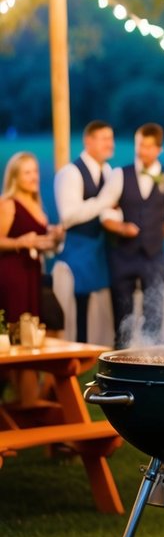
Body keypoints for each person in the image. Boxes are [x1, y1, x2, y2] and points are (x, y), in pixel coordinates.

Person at [103, 123, 164, 347]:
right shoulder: (120, 175)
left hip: (154, 256)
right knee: (122, 314)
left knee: (154, 313)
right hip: (123, 255)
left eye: (149, 146)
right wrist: (121, 228)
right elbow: (104, 211)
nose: (143, 151)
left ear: (159, 148)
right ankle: (120, 361)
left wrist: (154, 233)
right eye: (140, 145)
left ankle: (151, 363)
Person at [0, 152, 63, 403]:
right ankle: (25, 400)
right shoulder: (8, 203)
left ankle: (33, 400)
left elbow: (39, 243)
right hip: (12, 275)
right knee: (19, 336)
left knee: (34, 333)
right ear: (15, 176)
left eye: (35, 171)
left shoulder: (38, 206)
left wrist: (54, 238)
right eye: (27, 172)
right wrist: (19, 242)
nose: (34, 177)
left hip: (33, 274)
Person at [53, 119, 120, 343]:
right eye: (104, 139)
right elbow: (68, 216)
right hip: (77, 251)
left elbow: (109, 211)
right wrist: (103, 202)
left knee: (99, 312)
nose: (109, 144)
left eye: (111, 139)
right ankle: (75, 358)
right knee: (78, 308)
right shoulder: (70, 173)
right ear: (88, 141)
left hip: (100, 251)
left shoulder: (108, 171)